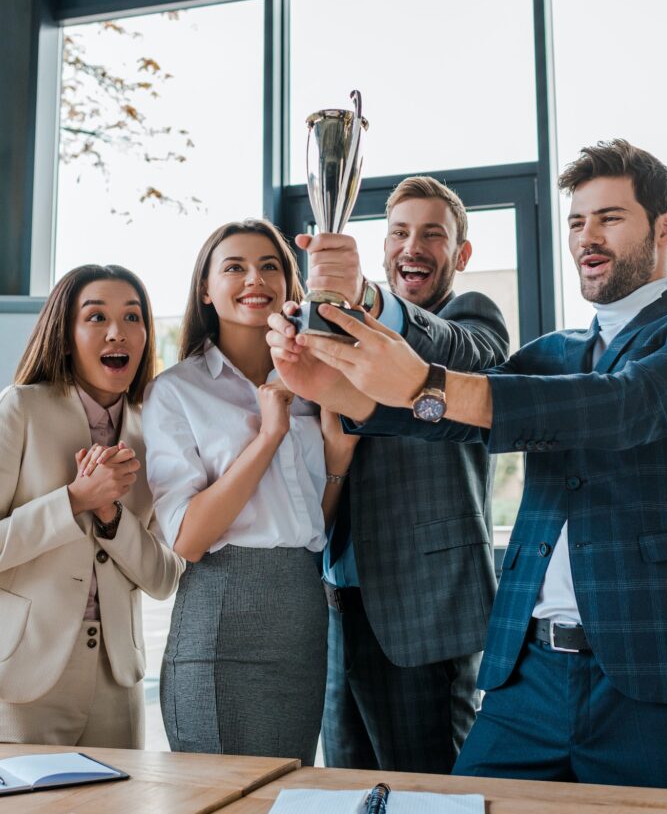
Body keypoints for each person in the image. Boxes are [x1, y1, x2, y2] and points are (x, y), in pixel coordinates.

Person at [268, 140, 667, 788]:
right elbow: (450, 415)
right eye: (576, 221)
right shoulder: (558, 351)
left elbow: (625, 406)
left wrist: (421, 380)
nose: (586, 237)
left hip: (651, 676)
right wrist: (333, 389)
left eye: (609, 218)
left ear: (666, 227)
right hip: (529, 678)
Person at [300, 176, 508, 773]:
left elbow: (467, 355)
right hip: (341, 604)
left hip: (425, 610)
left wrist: (369, 301)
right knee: (348, 785)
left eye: (432, 235)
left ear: (460, 255)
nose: (412, 246)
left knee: (426, 791)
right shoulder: (343, 331)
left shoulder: (471, 317)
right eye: (399, 232)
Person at [143, 219, 349, 763]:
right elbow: (187, 539)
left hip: (302, 612)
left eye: (270, 266)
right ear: (206, 291)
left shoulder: (317, 386)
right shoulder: (176, 391)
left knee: (290, 787)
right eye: (233, 267)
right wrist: (269, 433)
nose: (254, 278)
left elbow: (312, 526)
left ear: (289, 286)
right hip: (220, 613)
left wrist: (338, 457)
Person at [0, 263, 184, 748]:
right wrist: (75, 499)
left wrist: (111, 516)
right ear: (64, 336)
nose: (117, 332)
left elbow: (164, 578)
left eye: (132, 316)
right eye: (96, 317)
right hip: (22, 675)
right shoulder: (20, 409)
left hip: (117, 679)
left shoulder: (156, 431)